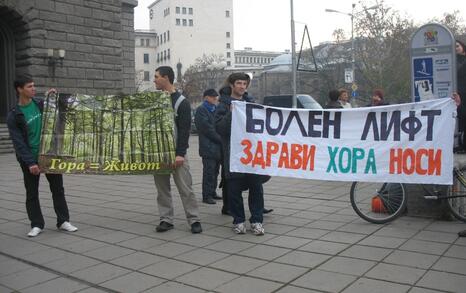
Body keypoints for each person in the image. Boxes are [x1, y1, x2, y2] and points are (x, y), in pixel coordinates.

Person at [7, 75, 78, 237]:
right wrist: (31, 162)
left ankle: (63, 221)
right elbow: (19, 143)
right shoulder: (14, 115)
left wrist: (53, 96)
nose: (34, 89)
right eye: (30, 87)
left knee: (58, 189)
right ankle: (37, 224)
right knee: (32, 192)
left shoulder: (39, 104)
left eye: (34, 86)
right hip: (30, 159)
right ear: (20, 89)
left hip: (49, 155)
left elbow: (58, 109)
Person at [152, 66, 202, 234]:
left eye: (156, 77)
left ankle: (194, 219)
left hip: (176, 154)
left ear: (166, 78)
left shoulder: (181, 102)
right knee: (162, 189)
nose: (154, 80)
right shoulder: (154, 101)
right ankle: (166, 219)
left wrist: (180, 153)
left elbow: (184, 130)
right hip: (158, 153)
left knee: (185, 188)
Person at [215, 72, 266, 235]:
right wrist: (231, 112)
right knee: (234, 190)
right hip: (234, 156)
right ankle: (238, 221)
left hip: (252, 155)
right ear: (232, 85)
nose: (242, 87)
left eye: (244, 84)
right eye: (238, 83)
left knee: (256, 188)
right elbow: (219, 128)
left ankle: (257, 220)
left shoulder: (251, 102)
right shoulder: (223, 104)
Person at [194, 89, 222, 204]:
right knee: (209, 172)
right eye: (212, 97)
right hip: (208, 146)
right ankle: (207, 195)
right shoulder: (201, 109)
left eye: (215, 97)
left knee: (215, 171)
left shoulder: (215, 109)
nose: (215, 98)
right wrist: (220, 138)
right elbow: (206, 128)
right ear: (206, 97)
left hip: (217, 147)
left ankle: (213, 192)